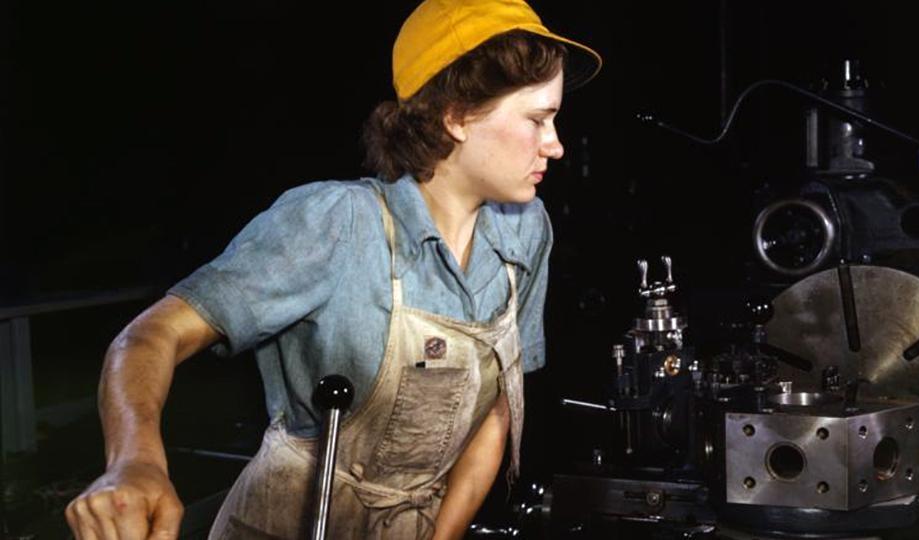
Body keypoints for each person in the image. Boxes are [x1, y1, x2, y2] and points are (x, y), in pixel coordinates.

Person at [64, 0, 601, 538]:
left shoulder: (525, 231)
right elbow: (151, 335)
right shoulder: (336, 224)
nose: (554, 146)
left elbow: (496, 411)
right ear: (457, 115)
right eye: (537, 119)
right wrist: (135, 461)